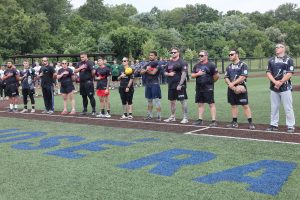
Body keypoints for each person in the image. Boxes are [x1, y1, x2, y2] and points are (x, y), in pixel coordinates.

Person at [266, 43, 295, 133]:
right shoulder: (271, 60)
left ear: (284, 49)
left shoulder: (289, 60)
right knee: (274, 107)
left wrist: (280, 82)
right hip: (274, 87)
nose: (277, 48)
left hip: (285, 87)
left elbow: (289, 73)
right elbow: (268, 73)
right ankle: (274, 125)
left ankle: (290, 126)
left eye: (279, 47)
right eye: (276, 47)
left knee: (288, 107)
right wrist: (275, 82)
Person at [224, 49, 255, 130]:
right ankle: (234, 122)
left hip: (241, 88)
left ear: (237, 54)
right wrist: (232, 86)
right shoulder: (229, 66)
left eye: (231, 54)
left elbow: (243, 77)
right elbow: (226, 77)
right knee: (233, 105)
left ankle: (250, 123)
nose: (230, 56)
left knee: (245, 105)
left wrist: (232, 84)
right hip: (231, 88)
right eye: (229, 55)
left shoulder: (243, 65)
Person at [191, 50, 219, 127]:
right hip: (199, 88)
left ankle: (214, 121)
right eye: (199, 55)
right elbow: (192, 75)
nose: (200, 57)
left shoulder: (211, 65)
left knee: (211, 103)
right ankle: (200, 119)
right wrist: (198, 74)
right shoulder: (196, 65)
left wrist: (211, 82)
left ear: (206, 56)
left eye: (202, 55)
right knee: (200, 103)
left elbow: (216, 76)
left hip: (208, 87)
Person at [163, 48, 189, 124]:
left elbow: (184, 74)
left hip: (180, 85)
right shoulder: (169, 62)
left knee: (182, 101)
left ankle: (185, 117)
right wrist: (168, 74)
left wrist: (180, 84)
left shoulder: (182, 62)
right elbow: (164, 72)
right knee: (172, 101)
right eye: (172, 52)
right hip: (171, 85)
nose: (173, 53)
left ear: (178, 53)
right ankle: (172, 116)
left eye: (175, 52)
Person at [140, 51, 162, 121]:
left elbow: (153, 73)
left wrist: (147, 70)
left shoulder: (158, 64)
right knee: (149, 100)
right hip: (148, 84)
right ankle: (149, 115)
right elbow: (141, 72)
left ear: (156, 56)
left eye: (152, 55)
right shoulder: (147, 63)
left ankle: (159, 116)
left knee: (156, 100)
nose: (150, 56)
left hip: (155, 84)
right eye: (149, 55)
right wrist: (146, 69)